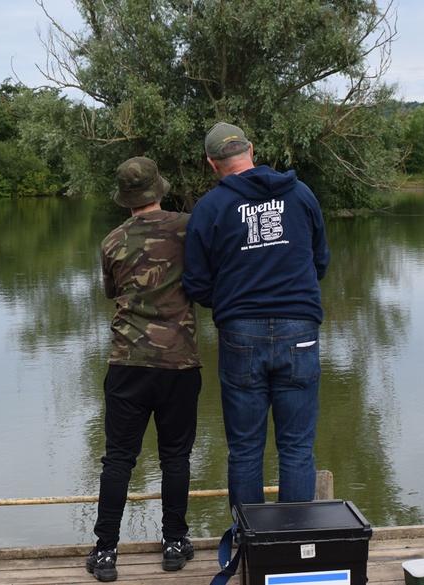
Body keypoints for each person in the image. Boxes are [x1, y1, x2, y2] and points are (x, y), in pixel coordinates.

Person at [183, 122, 331, 508]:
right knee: (297, 448)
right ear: (251, 148)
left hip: (240, 334)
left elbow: (196, 283)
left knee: (246, 449)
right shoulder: (301, 195)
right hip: (300, 329)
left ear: (212, 163)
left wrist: (234, 301)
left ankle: (248, 546)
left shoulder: (210, 208)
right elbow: (320, 261)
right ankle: (294, 544)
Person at [86, 157, 202, 582]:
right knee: (175, 456)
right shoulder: (189, 228)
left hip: (128, 362)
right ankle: (174, 543)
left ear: (125, 199)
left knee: (118, 458)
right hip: (179, 362)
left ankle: (105, 551)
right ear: (159, 188)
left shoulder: (112, 241)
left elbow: (111, 293)